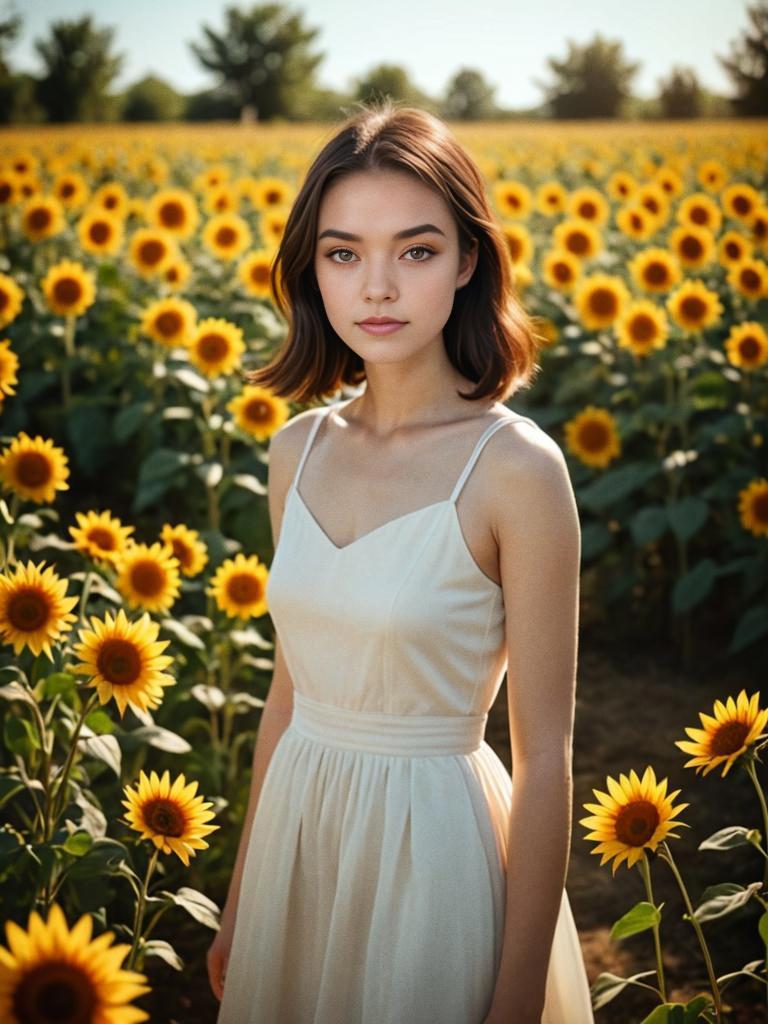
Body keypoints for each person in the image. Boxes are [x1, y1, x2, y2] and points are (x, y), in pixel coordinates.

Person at [208, 100, 595, 1024]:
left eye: (415, 251)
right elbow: (289, 691)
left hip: (435, 855)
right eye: (343, 253)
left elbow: (546, 759)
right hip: (301, 843)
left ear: (469, 261)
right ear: (314, 269)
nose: (375, 286)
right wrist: (240, 897)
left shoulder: (515, 468)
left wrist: (514, 1001)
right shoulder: (295, 450)